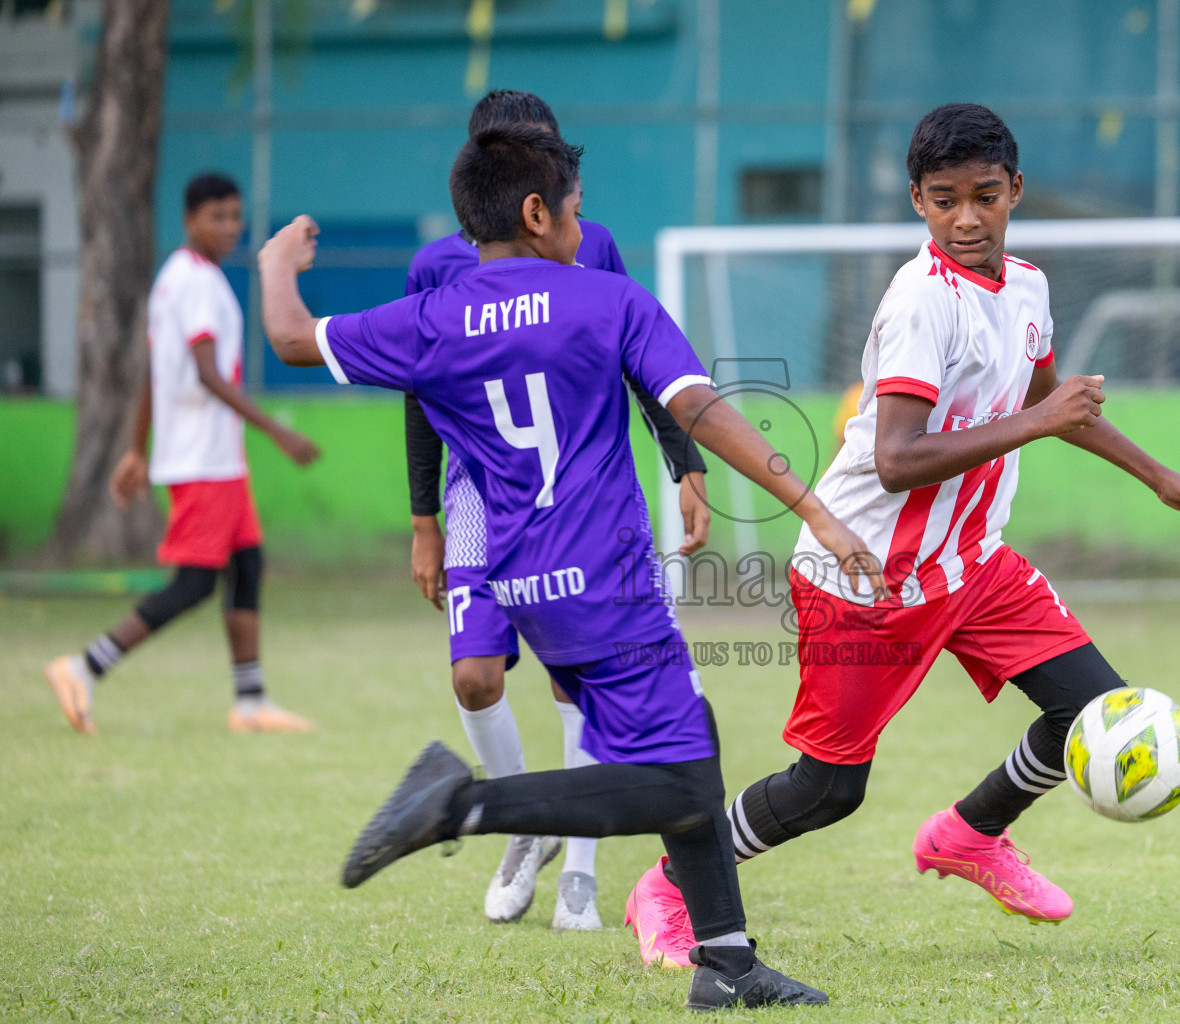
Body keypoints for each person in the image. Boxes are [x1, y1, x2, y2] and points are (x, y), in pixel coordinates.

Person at [259, 124, 885, 1010]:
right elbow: (700, 409)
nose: (584, 230)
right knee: (673, 779)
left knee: (690, 746)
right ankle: (461, 806)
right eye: (578, 213)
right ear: (536, 211)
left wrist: (276, 259)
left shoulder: (433, 316)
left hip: (520, 580)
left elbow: (289, 338)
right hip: (607, 579)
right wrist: (816, 509)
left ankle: (727, 961)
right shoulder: (604, 301)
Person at [625, 102, 1180, 964]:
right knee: (828, 790)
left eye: (985, 195)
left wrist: (1161, 477)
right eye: (945, 200)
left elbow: (1043, 403)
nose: (967, 218)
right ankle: (670, 884)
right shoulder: (920, 303)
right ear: (918, 201)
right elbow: (901, 460)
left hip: (972, 565)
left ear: (1015, 190)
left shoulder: (1028, 287)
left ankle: (970, 836)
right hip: (866, 576)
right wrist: (1043, 420)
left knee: (1091, 709)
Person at [401, 89, 711, 931]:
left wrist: (685, 463)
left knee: (584, 685)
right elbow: (417, 394)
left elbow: (643, 358)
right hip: (478, 496)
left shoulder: (593, 246)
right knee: (474, 677)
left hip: (583, 497)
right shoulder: (436, 268)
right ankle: (518, 825)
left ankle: (578, 867)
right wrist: (424, 518)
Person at [44, 173, 319, 736]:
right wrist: (276, 431)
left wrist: (135, 451)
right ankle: (83, 666)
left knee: (247, 565)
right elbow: (202, 372)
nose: (228, 227)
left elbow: (154, 369)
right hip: (202, 460)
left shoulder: (177, 276)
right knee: (195, 582)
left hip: (214, 458)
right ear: (189, 219)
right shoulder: (194, 283)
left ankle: (250, 702)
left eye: (235, 216)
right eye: (216, 216)